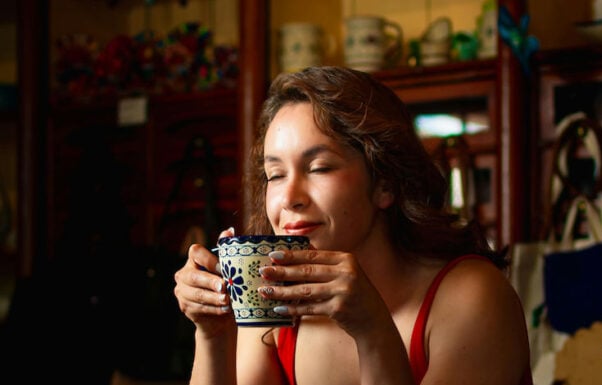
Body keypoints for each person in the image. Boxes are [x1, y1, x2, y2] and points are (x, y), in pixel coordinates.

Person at [173, 66, 532, 385]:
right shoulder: (273, 299)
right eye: (275, 175)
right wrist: (213, 334)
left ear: (385, 184)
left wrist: (372, 327)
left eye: (319, 168)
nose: (289, 198)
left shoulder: (471, 297)